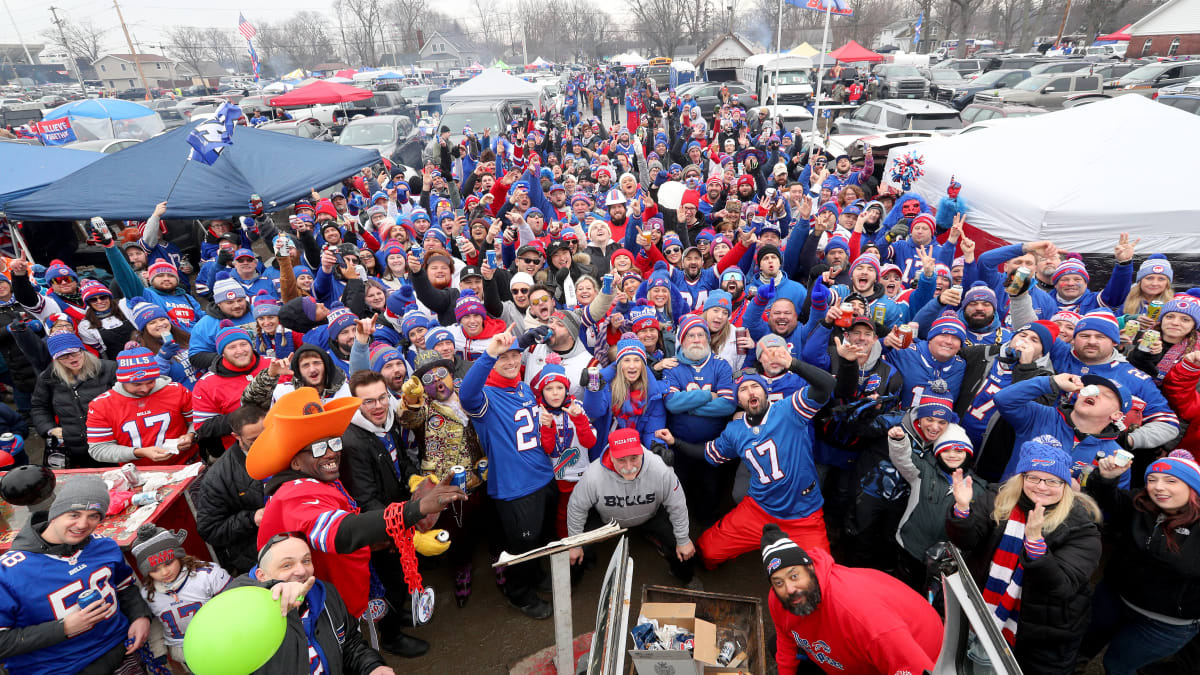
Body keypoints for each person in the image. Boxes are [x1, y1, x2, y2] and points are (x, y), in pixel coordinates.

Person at [247, 387, 464, 657]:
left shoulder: (318, 479)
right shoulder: (295, 494)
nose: (330, 453)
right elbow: (340, 532)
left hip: (347, 581)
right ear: (296, 462)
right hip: (324, 604)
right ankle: (388, 641)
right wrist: (416, 509)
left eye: (333, 443)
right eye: (317, 448)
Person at [947, 437, 1103, 674]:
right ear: (1021, 478)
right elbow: (967, 541)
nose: (1041, 486)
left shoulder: (1082, 528)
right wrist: (962, 510)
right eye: (1033, 478)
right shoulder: (996, 498)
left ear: (1065, 484)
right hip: (980, 610)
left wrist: (1035, 543)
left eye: (1052, 480)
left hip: (1041, 634)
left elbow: (1061, 586)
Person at [684, 354, 836, 568]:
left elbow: (827, 385)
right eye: (743, 390)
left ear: (765, 391)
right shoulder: (735, 430)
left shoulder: (788, 409)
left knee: (822, 573)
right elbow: (709, 453)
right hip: (758, 510)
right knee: (707, 552)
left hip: (803, 515)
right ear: (739, 401)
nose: (750, 392)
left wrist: (792, 364)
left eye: (755, 386)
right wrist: (675, 443)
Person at [0, 477, 152, 674]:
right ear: (55, 513)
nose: (82, 524)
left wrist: (140, 615)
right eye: (74, 514)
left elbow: (124, 587)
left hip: (122, 653)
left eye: (94, 516)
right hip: (59, 669)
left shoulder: (104, 546)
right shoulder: (8, 572)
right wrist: (63, 628)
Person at [459, 329, 557, 620]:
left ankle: (536, 576)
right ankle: (519, 594)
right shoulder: (484, 397)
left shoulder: (523, 388)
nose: (512, 361)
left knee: (540, 538)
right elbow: (466, 393)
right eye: (504, 357)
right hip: (515, 487)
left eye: (515, 355)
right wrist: (490, 353)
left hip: (542, 475)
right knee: (521, 546)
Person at [761, 523, 942, 675]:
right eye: (778, 582)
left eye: (794, 576)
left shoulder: (860, 615)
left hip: (914, 652)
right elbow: (786, 640)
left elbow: (915, 667)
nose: (790, 589)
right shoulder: (779, 599)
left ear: (810, 568)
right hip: (846, 653)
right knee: (774, 646)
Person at [1083, 449, 1200, 674]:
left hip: (1165, 623)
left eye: (1171, 480)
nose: (1158, 487)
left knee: (1117, 665)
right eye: (1152, 480)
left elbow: (1185, 565)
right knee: (1083, 643)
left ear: (1193, 487)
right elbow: (1107, 500)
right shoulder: (1142, 503)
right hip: (1115, 597)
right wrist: (1106, 479)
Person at [227, 533, 394, 675]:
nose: (301, 571)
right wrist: (270, 591)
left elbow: (350, 643)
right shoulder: (242, 613)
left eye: (306, 561)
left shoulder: (326, 594)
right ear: (261, 576)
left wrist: (372, 666)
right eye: (287, 565)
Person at [566, 428, 697, 587]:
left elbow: (678, 505)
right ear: (611, 457)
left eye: (634, 458)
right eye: (621, 460)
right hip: (607, 520)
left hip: (650, 516)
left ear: (641, 453)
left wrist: (683, 539)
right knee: (574, 553)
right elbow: (576, 508)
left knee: (685, 548)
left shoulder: (661, 470)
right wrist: (575, 544)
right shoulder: (593, 476)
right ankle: (571, 584)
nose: (629, 467)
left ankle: (684, 577)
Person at [131, 524, 230, 667]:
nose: (164, 572)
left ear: (178, 556)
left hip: (223, 640)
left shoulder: (207, 575)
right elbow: (155, 625)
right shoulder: (148, 594)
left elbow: (233, 603)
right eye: (155, 569)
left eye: (168, 563)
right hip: (187, 654)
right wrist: (158, 652)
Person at [85, 347, 196, 466]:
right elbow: (98, 449)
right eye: (136, 384)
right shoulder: (101, 405)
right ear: (122, 381)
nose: (145, 389)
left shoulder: (176, 391)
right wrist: (138, 452)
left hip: (185, 464)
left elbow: (198, 420)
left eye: (150, 382)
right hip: (140, 473)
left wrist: (191, 435)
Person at [195, 404, 267, 575]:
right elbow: (210, 529)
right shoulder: (218, 477)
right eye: (253, 440)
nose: (263, 442)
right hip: (257, 558)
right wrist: (251, 519)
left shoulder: (290, 448)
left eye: (266, 434)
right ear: (236, 436)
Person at [31, 333, 117, 468]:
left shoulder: (108, 369)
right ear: (56, 359)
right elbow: (39, 406)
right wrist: (49, 428)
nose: (71, 358)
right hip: (75, 445)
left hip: (111, 440)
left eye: (74, 353)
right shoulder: (49, 377)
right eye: (63, 356)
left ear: (82, 349)